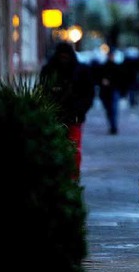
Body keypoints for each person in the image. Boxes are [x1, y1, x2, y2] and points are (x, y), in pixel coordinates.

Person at [39, 42, 95, 175]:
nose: (63, 60)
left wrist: (80, 109)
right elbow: (44, 91)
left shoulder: (80, 71)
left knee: (73, 149)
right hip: (57, 116)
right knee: (60, 148)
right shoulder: (49, 71)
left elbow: (88, 93)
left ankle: (71, 177)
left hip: (73, 116)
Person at [96, 49, 125, 135]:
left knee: (113, 109)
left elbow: (120, 79)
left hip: (113, 90)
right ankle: (112, 125)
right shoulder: (104, 66)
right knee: (109, 109)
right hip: (106, 91)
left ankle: (113, 126)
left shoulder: (116, 67)